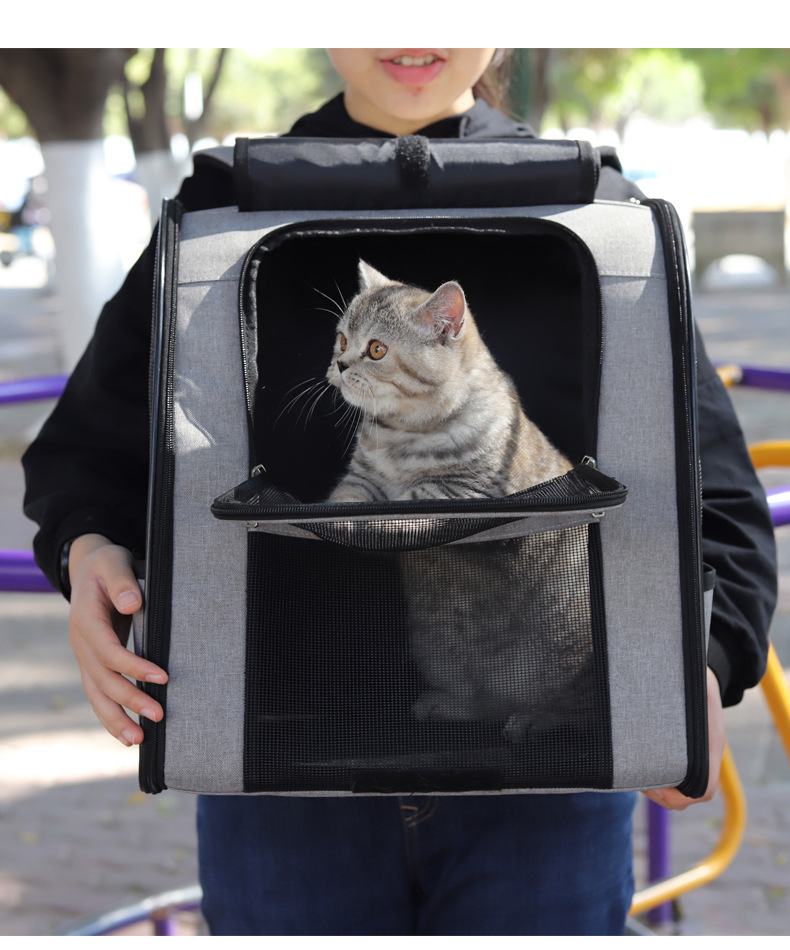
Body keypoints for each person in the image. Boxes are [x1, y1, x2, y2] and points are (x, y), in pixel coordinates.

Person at [22, 49, 776, 936]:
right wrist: (87, 557)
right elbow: (83, 455)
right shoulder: (221, 209)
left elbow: (718, 500)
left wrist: (706, 663)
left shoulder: (603, 214)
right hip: (276, 762)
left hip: (553, 769)